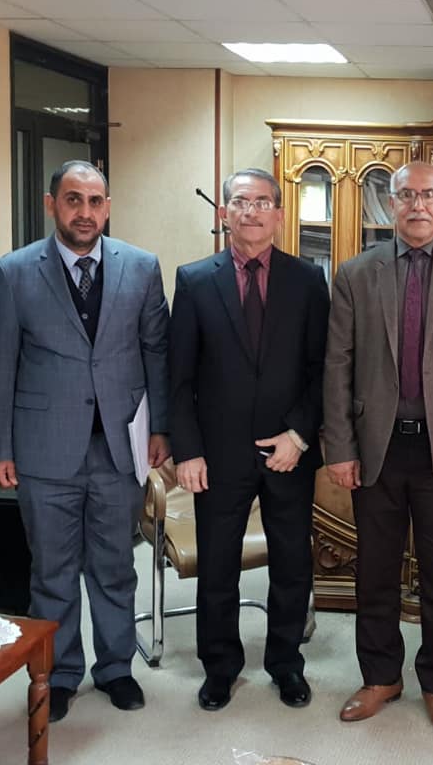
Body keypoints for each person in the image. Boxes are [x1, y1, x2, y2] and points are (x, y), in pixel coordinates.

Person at [0, 160, 169, 723]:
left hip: (119, 446)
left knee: (115, 566)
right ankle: (59, 673)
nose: (84, 212)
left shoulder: (141, 267)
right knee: (53, 571)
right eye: (73, 200)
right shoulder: (13, 271)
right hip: (43, 449)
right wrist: (1, 446)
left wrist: (160, 428)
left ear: (107, 208)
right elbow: (2, 364)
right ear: (52, 205)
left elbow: (156, 351)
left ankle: (115, 668)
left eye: (95, 202)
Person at [324, 161, 433, 735]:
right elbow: (338, 365)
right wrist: (340, 447)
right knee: (374, 571)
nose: (418, 205)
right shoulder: (355, 273)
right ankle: (381, 676)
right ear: (392, 203)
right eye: (406, 195)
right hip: (376, 449)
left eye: (429, 195)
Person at [170, 167, 330, 712]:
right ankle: (220, 667)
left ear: (279, 214)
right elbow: (180, 377)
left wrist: (300, 436)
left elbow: (321, 369)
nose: (252, 212)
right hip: (218, 455)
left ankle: (285, 663)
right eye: (241, 202)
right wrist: (188, 451)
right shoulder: (194, 280)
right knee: (217, 566)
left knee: (291, 564)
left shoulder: (307, 280)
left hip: (288, 452)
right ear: (224, 213)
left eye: (263, 202)